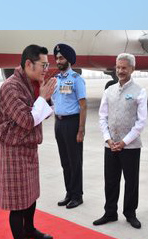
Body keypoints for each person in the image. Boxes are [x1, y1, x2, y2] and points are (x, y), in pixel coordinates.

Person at [0, 44, 59, 239]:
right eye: (43, 65)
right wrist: (42, 97)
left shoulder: (31, 84)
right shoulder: (11, 87)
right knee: (18, 205)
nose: (46, 69)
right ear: (29, 64)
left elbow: (42, 115)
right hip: (14, 151)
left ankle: (29, 230)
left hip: (29, 148)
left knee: (31, 195)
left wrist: (44, 98)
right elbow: (27, 120)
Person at [94, 53, 147, 229]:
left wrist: (125, 141)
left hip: (130, 146)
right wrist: (108, 139)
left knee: (131, 181)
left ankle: (130, 213)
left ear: (132, 69)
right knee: (110, 180)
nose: (120, 71)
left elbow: (141, 122)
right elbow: (102, 117)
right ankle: (110, 212)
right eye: (118, 67)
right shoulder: (108, 91)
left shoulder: (140, 91)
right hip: (110, 144)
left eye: (124, 67)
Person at [51, 43, 87, 209]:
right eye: (57, 58)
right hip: (59, 123)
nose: (58, 60)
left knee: (75, 161)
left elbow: (83, 105)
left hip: (72, 123)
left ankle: (77, 195)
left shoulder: (76, 80)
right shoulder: (56, 80)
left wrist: (81, 129)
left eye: (61, 58)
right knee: (65, 161)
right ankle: (69, 193)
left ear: (69, 60)